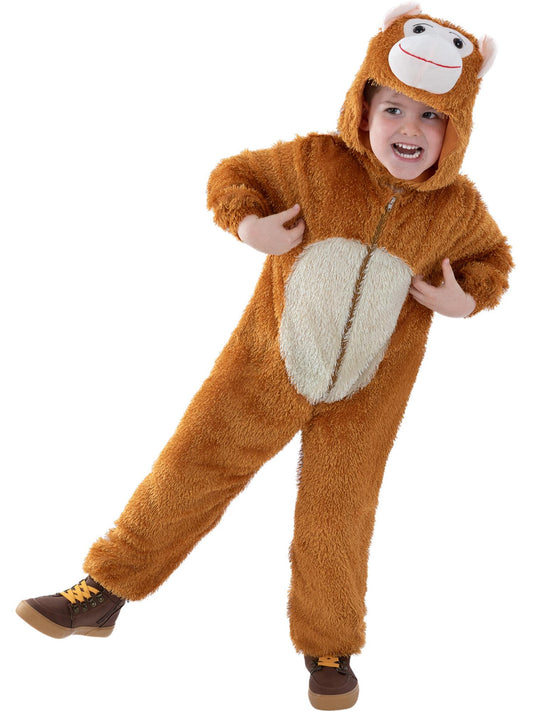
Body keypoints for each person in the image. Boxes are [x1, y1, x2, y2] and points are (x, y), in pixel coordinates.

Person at [16, 5, 513, 710]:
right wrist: (247, 223)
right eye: (394, 108)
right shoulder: (313, 163)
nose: (410, 128)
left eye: (432, 116)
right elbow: (233, 175)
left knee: (339, 516)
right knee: (190, 468)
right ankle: (105, 589)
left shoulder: (456, 210)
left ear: (457, 128)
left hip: (367, 394)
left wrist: (465, 299)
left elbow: (492, 260)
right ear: (363, 105)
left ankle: (330, 646)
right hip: (266, 368)